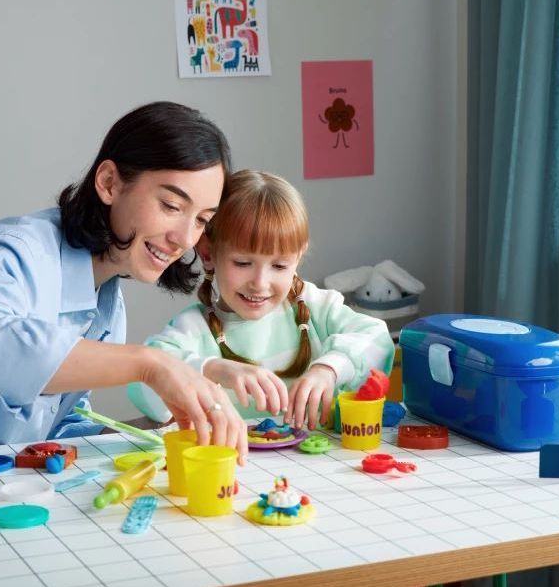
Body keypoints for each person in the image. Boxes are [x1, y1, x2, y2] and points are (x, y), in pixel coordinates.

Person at [0, 102, 248, 461]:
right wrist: (148, 363)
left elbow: (56, 426)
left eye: (202, 220)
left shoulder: (105, 302)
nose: (185, 238)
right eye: (171, 205)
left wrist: (145, 440)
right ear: (109, 183)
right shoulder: (9, 254)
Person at [127, 170, 395, 430]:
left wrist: (329, 369)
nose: (260, 283)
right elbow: (143, 378)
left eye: (279, 266)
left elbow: (377, 340)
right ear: (208, 253)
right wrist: (213, 368)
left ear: (298, 258)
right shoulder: (194, 329)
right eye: (243, 263)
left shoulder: (316, 308)